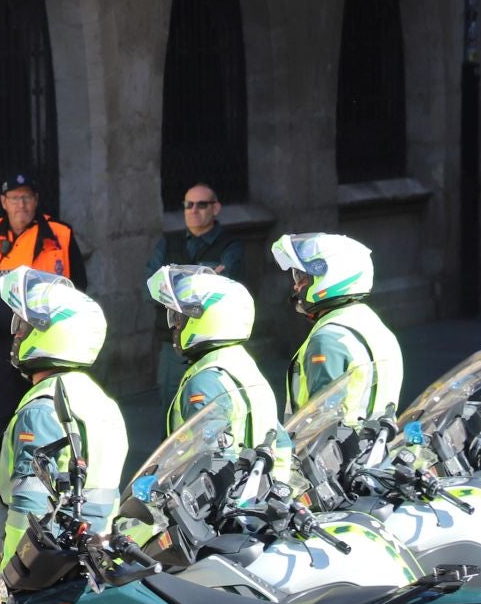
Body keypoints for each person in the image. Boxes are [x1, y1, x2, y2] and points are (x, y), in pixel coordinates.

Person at [0, 267, 127, 561]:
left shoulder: (43, 407)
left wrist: (14, 569)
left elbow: (28, 507)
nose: (16, 333)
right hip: (95, 552)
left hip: (50, 560)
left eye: (23, 324)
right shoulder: (99, 399)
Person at [0, 171, 84, 429]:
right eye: (14, 199)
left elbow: (79, 285)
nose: (20, 205)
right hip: (3, 342)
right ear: (4, 202)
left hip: (43, 339)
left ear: (35, 200)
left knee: (41, 410)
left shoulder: (60, 234)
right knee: (6, 411)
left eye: (25, 198)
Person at [269, 232, 402, 421]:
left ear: (331, 276)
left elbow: (321, 424)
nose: (297, 287)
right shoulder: (372, 325)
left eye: (302, 277)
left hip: (334, 449)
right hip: (371, 445)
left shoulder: (328, 339)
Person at [148, 264, 279, 450]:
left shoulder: (205, 381)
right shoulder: (242, 364)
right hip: (259, 478)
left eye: (179, 318)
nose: (174, 326)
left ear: (203, 318)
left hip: (232, 478)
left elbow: (212, 462)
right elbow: (280, 441)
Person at [145, 183, 243, 417]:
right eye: (189, 205)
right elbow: (150, 286)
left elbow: (223, 286)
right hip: (172, 340)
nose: (194, 210)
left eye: (201, 204)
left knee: (210, 409)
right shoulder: (168, 243)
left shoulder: (231, 245)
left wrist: (174, 281)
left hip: (212, 340)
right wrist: (203, 275)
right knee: (171, 411)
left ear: (215, 208)